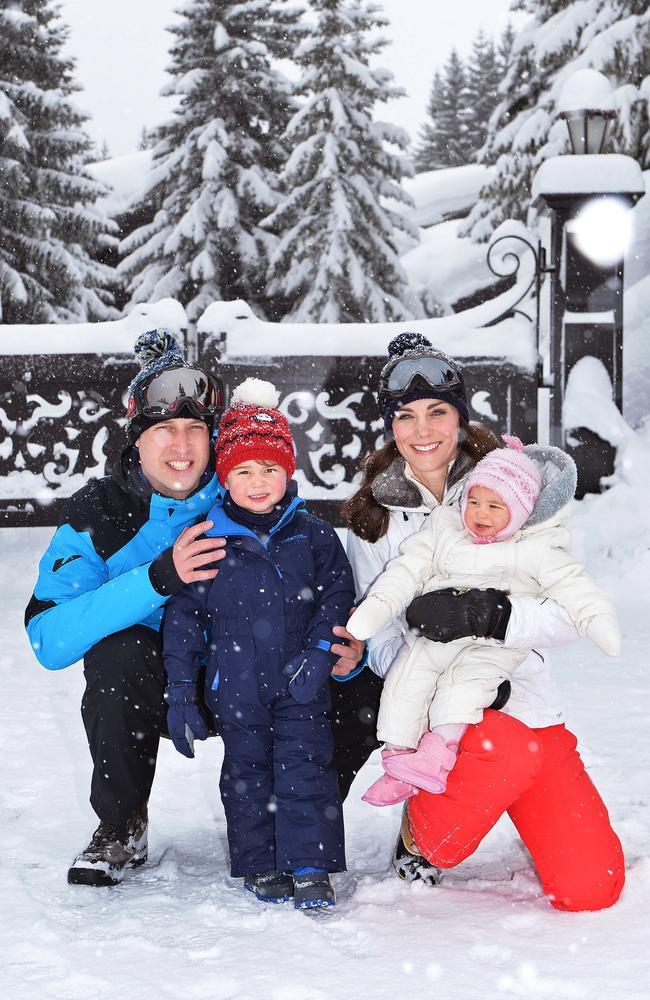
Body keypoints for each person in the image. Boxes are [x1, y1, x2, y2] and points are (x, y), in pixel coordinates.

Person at [23, 331, 362, 888]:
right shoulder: (100, 512)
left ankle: (296, 815)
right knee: (117, 654)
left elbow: (326, 587)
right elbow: (48, 640)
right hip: (172, 681)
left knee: (354, 673)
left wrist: (345, 649)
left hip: (267, 672)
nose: (180, 446)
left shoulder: (249, 489)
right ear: (137, 438)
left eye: (194, 429)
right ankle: (122, 821)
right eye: (163, 429)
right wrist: (158, 578)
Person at [341, 332, 624, 910]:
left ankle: (502, 793)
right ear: (390, 428)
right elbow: (379, 637)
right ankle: (422, 834)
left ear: (461, 418)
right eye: (407, 416)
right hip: (446, 712)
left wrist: (497, 617)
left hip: (530, 703)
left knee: (591, 887)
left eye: (437, 412)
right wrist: (442, 669)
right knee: (500, 755)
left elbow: (570, 608)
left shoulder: (515, 486)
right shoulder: (376, 517)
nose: (423, 431)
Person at [162, 379, 355, 909]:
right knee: (247, 775)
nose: (258, 481)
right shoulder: (207, 538)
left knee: (306, 768)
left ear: (288, 471)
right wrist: (182, 689)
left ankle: (311, 865)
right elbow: (182, 617)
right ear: (225, 476)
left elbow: (338, 596)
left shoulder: (313, 534)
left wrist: (320, 652)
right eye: (243, 471)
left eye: (269, 469)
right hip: (237, 688)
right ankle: (261, 862)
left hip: (301, 681)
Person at [347, 436, 621, 805]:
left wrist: (592, 619)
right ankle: (398, 761)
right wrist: (377, 609)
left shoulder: (535, 547)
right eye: (474, 501)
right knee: (404, 681)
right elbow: (404, 571)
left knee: (460, 691)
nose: (480, 513)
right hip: (433, 638)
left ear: (521, 511)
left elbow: (575, 591)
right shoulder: (445, 531)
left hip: (491, 650)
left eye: (495, 506)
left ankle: (435, 754)